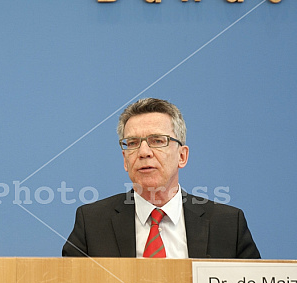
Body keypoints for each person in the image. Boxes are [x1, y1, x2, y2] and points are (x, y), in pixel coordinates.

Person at [62, 98, 260, 259]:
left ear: (182, 156)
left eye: (157, 141)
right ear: (125, 160)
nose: (144, 152)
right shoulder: (92, 223)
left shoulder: (227, 224)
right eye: (132, 143)